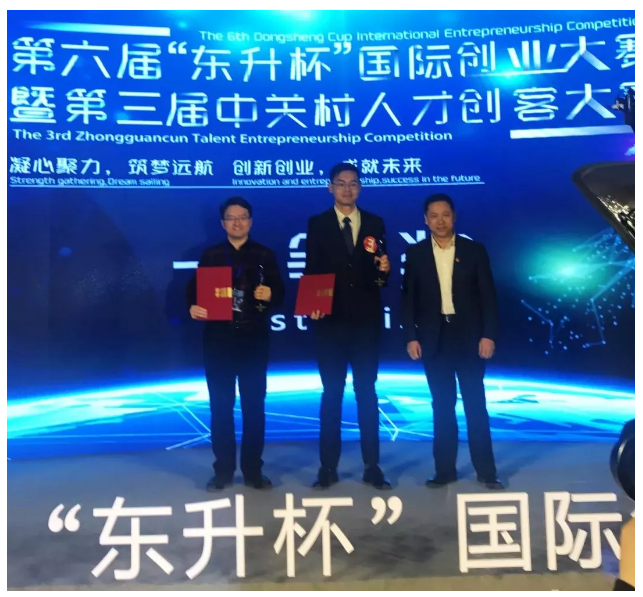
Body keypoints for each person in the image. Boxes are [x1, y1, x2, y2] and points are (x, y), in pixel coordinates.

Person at [401, 194, 503, 490]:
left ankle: (487, 472)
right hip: (434, 340)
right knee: (442, 408)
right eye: (434, 216)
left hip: (470, 338)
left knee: (475, 406)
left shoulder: (474, 250)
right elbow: (408, 299)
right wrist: (411, 337)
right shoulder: (416, 253)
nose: (440, 221)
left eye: (445, 215)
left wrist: (489, 334)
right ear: (425, 220)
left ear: (454, 217)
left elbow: (489, 296)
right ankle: (444, 471)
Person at [187, 197, 285, 491]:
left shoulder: (265, 254)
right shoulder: (211, 255)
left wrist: (271, 294)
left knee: (254, 407)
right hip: (219, 340)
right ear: (222, 223)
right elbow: (193, 291)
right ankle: (223, 471)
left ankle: (254, 471)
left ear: (250, 221)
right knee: (221, 407)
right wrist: (193, 306)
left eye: (242, 217)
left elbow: (281, 292)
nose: (237, 222)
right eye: (231, 218)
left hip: (253, 339)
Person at [304, 162, 392, 490]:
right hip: (330, 323)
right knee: (332, 395)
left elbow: (380, 275)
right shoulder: (317, 223)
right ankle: (328, 467)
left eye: (353, 183)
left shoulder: (374, 222)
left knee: (367, 393)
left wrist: (384, 270)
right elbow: (312, 269)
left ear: (360, 187)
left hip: (366, 323)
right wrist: (313, 304)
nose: (347, 189)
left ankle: (372, 466)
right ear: (330, 187)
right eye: (340, 183)